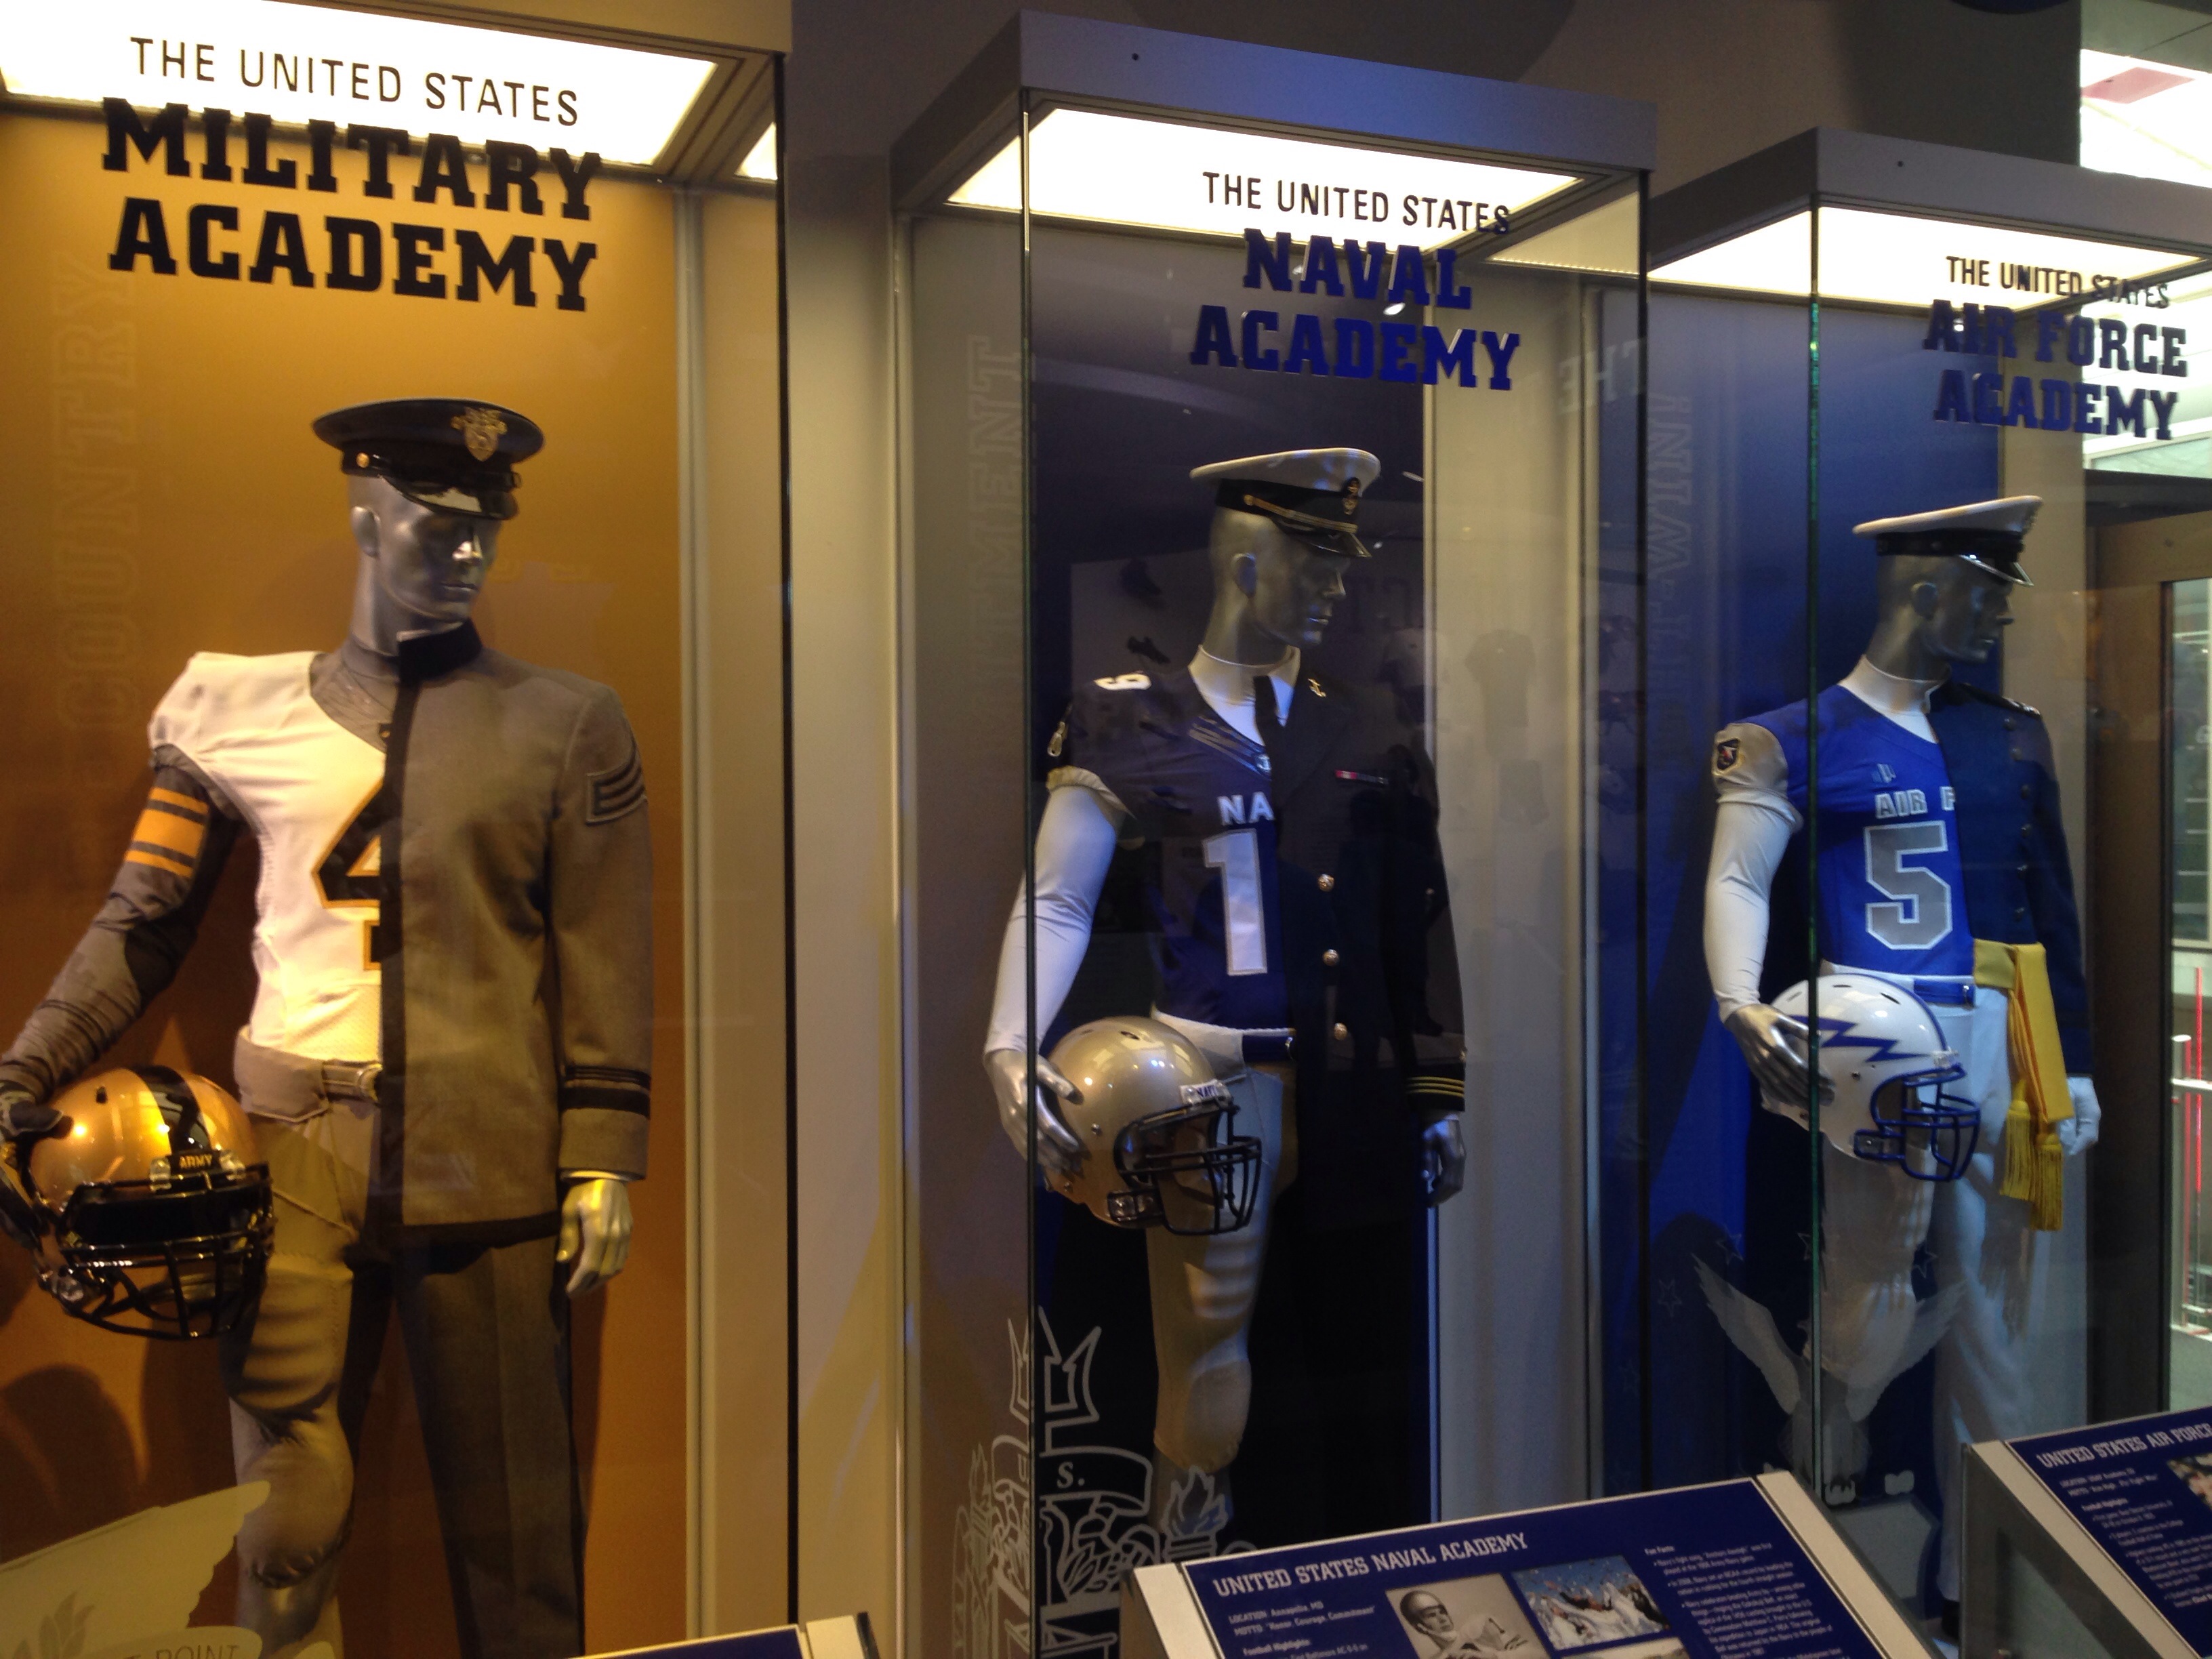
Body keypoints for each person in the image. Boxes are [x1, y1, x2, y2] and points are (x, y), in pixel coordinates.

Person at [0, 399, 653, 1658]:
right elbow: (143, 922)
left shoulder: (568, 723)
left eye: (487, 530)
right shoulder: (231, 711)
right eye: (436, 525)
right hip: (291, 1152)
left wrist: (603, 1155)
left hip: (489, 1150)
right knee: (286, 1528)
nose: (468, 553)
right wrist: (26, 1068)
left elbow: (605, 953)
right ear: (365, 517)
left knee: (518, 1537)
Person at [983, 449, 1467, 1537]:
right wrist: (1008, 1047)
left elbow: (1417, 920)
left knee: (1360, 1354)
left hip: (1351, 1092)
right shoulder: (1133, 719)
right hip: (1205, 1089)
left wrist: (1439, 1090)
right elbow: (1057, 901)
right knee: (1201, 1358)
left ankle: (1350, 1580)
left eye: (1342, 562)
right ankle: (1184, 1576)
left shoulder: (1372, 726)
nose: (1338, 586)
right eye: (1316, 561)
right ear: (1247, 563)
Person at [1703, 495, 2100, 1613]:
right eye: (1989, 592)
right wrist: (1738, 1004)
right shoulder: (1790, 737)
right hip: (1870, 1051)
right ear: (1929, 590)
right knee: (1862, 1310)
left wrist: (2071, 1065)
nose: (2002, 615)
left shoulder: (2010, 734)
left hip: (2000, 1042)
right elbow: (1738, 878)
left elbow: (2050, 907)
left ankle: (1986, 1590)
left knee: (1994, 1325)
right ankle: (1833, 1561)